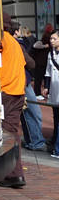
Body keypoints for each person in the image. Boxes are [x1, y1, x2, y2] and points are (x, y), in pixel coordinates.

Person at [0, 13, 27, 188]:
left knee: (7, 134)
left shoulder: (2, 40)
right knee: (12, 132)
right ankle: (14, 173)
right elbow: (26, 63)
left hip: (6, 92)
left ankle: (14, 174)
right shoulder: (14, 42)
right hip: (16, 91)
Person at [17, 27, 47, 151]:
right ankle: (36, 141)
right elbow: (31, 63)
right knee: (32, 113)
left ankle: (33, 140)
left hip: (18, 82)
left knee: (27, 113)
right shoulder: (17, 44)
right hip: (22, 81)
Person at [42, 29, 59, 159]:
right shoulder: (51, 53)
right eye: (51, 38)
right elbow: (48, 72)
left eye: (54, 39)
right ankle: (54, 141)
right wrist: (46, 87)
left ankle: (57, 149)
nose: (52, 41)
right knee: (56, 118)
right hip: (54, 90)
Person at [32, 24, 54, 98]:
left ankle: (38, 93)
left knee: (39, 79)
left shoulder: (45, 36)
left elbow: (35, 45)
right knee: (46, 78)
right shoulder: (49, 37)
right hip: (44, 62)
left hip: (41, 62)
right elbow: (36, 45)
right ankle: (45, 93)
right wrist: (45, 46)